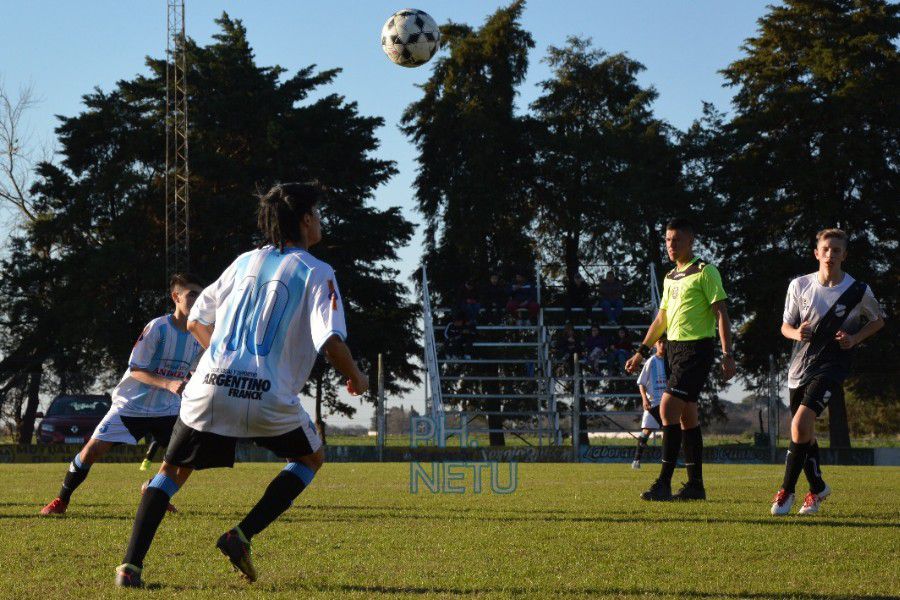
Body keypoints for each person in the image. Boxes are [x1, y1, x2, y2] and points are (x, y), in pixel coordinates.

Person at [114, 182, 369, 587]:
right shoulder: (318, 272)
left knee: (171, 472)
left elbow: (197, 318)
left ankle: (130, 567)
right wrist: (356, 376)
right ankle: (241, 534)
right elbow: (331, 340)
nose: (321, 222)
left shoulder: (243, 261)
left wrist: (223, 358)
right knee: (311, 459)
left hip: (209, 385)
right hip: (267, 396)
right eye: (318, 215)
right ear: (305, 220)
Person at [40, 274, 205, 516]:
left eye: (200, 294)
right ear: (175, 297)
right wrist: (168, 383)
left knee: (189, 457)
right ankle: (61, 501)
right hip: (131, 405)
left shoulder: (197, 335)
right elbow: (136, 369)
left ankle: (157, 491)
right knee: (91, 452)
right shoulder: (157, 328)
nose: (197, 299)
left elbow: (198, 371)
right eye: (192, 294)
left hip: (168, 409)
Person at [770, 228, 884, 516]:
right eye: (826, 249)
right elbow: (785, 327)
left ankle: (787, 492)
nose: (831, 254)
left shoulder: (858, 290)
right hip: (799, 367)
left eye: (837, 250)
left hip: (833, 366)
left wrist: (854, 339)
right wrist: (796, 333)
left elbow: (878, 320)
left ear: (844, 255)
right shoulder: (799, 286)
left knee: (799, 424)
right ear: (816, 253)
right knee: (804, 431)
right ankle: (818, 488)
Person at [625, 217, 735, 501]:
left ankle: (663, 483)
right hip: (673, 350)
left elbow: (721, 312)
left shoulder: (705, 271)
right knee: (687, 417)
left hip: (697, 349)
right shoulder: (670, 276)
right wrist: (641, 350)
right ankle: (696, 486)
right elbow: (661, 318)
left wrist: (727, 353)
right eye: (667, 240)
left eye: (676, 240)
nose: (670, 246)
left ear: (690, 241)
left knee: (668, 408)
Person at [633, 337, 667, 469]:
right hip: (653, 402)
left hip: (666, 402)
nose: (663, 345)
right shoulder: (651, 361)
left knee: (669, 431)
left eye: (665, 342)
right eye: (660, 342)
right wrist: (644, 398)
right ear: (655, 345)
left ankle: (668, 461)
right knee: (646, 431)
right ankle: (636, 460)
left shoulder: (669, 361)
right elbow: (641, 383)